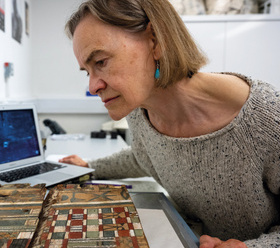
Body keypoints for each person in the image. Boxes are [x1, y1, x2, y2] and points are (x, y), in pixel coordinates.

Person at [60, 0, 280, 247]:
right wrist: (88, 166)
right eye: (87, 71)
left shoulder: (267, 119)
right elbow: (145, 156)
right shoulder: (140, 109)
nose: (92, 86)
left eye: (100, 62)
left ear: (155, 40)